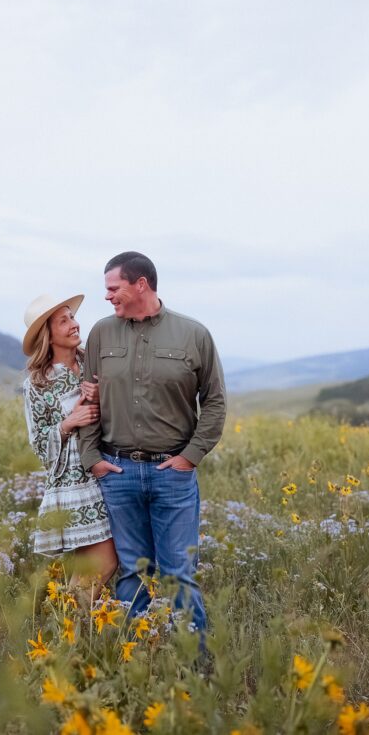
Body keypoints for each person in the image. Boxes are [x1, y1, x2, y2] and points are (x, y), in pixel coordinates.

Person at [78, 252, 226, 634]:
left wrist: (190, 458)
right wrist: (92, 456)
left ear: (140, 284)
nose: (108, 296)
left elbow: (214, 400)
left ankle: (196, 665)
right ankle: (135, 659)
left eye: (114, 288)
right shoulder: (101, 333)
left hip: (172, 474)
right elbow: (89, 398)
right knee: (131, 572)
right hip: (117, 471)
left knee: (179, 573)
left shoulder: (194, 335)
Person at [22, 293, 117, 607]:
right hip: (74, 483)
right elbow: (38, 444)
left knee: (91, 566)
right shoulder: (38, 384)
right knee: (105, 561)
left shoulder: (93, 362)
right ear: (47, 334)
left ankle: (69, 636)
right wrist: (68, 422)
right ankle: (68, 630)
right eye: (64, 320)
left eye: (73, 317)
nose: (74, 324)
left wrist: (103, 394)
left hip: (107, 468)